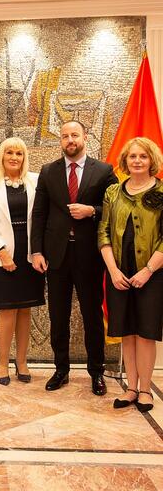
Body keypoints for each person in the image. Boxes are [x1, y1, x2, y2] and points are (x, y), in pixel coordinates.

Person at [31, 121, 117, 395]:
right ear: (61, 140)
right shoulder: (48, 171)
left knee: (92, 316)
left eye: (74, 135)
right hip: (56, 256)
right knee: (58, 316)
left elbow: (116, 208)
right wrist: (36, 251)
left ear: (85, 137)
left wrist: (92, 210)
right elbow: (39, 213)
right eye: (65, 136)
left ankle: (96, 372)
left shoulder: (103, 171)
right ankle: (61, 370)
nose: (70, 140)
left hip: (90, 255)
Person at [98, 137, 163, 412]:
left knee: (145, 333)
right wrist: (113, 271)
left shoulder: (162, 192)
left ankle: (145, 390)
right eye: (133, 156)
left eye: (143, 156)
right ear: (125, 160)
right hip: (119, 274)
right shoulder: (113, 192)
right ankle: (131, 388)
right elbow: (103, 231)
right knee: (126, 331)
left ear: (151, 161)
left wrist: (148, 270)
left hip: (152, 274)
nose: (137, 161)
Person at [0, 137, 45, 385]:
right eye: (9, 153)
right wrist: (2, 252)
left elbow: (42, 218)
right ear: (2, 156)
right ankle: (2, 362)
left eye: (19, 153)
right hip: (2, 256)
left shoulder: (35, 181)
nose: (14, 157)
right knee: (7, 310)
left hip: (31, 255)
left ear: (24, 157)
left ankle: (22, 361)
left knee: (26, 309)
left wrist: (39, 251)